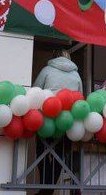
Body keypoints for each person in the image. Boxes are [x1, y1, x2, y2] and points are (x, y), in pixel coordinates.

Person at [32, 50, 82, 195]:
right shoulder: (76, 75)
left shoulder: (47, 70)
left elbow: (35, 90)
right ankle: (49, 189)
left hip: (46, 117)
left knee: (41, 152)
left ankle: (45, 188)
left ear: (54, 57)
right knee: (59, 155)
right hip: (66, 119)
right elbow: (80, 96)